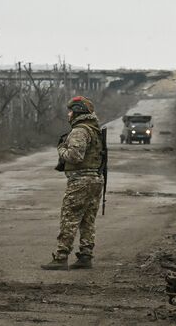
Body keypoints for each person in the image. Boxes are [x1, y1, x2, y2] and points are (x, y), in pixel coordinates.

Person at [41, 96, 104, 270]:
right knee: (87, 220)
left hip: (81, 180)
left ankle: (61, 258)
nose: (68, 114)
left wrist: (61, 149)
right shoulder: (94, 129)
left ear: (77, 112)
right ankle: (85, 256)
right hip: (96, 179)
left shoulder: (79, 131)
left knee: (69, 218)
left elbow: (75, 156)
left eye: (70, 111)